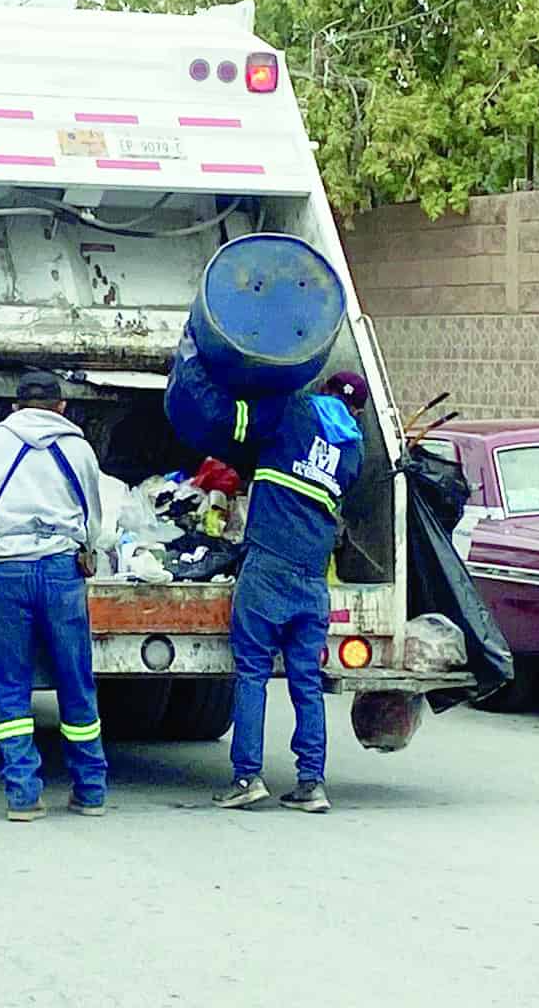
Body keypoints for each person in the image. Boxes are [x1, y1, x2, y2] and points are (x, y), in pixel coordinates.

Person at [166, 344, 367, 814]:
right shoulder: (353, 451)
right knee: (306, 683)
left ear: (322, 389)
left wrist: (194, 366)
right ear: (356, 411)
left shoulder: (292, 413)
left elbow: (233, 422)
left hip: (269, 568)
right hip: (312, 578)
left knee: (253, 673)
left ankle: (247, 778)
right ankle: (311, 783)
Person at [0, 371, 108, 822]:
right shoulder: (79, 448)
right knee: (75, 680)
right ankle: (90, 791)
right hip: (61, 570)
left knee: (9, 684)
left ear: (15, 406)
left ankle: (23, 795)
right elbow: (93, 517)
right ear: (61, 407)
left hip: (5, 569)